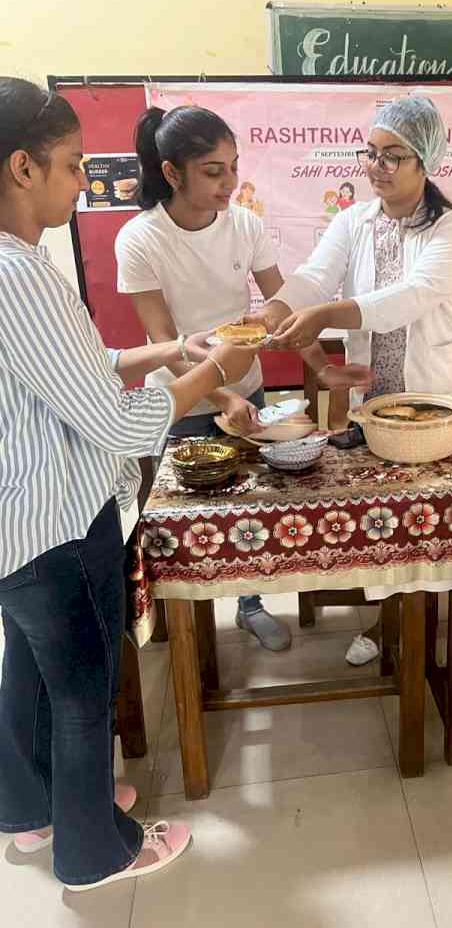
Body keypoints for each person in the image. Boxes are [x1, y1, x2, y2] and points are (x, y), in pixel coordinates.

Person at [0, 78, 259, 889]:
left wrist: (160, 353)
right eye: (74, 165)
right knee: (83, 690)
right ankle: (96, 848)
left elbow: (62, 373)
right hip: (60, 519)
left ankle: (29, 808)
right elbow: (117, 426)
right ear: (21, 167)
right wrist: (209, 370)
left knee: (28, 670)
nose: (85, 182)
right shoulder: (22, 275)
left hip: (15, 521)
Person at [251, 94, 452, 665]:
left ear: (425, 163)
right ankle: (391, 614)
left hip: (450, 395)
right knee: (397, 521)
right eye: (371, 153)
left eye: (394, 156)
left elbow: (408, 298)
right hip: (383, 400)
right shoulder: (354, 220)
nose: (377, 166)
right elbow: (316, 274)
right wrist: (278, 308)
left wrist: (322, 316)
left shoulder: (451, 229)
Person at [116, 106, 369, 650]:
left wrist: (323, 369)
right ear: (171, 172)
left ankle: (250, 603)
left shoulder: (246, 225)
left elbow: (285, 307)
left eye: (233, 167)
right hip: (182, 402)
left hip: (246, 392)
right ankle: (190, 628)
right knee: (192, 522)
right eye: (213, 171)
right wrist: (221, 394)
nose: (229, 183)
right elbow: (163, 341)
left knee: (250, 508)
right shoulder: (140, 239)